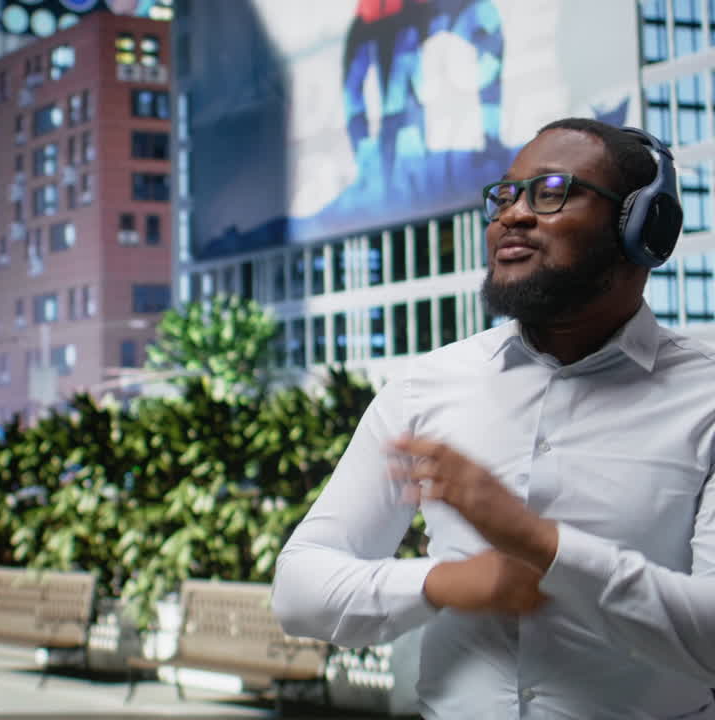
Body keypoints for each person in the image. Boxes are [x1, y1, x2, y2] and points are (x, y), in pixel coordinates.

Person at [272, 117, 715, 719]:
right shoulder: (425, 386)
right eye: (504, 195)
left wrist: (537, 543)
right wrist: (441, 583)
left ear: (644, 228)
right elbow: (300, 589)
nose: (512, 215)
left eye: (551, 191)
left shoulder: (707, 395)